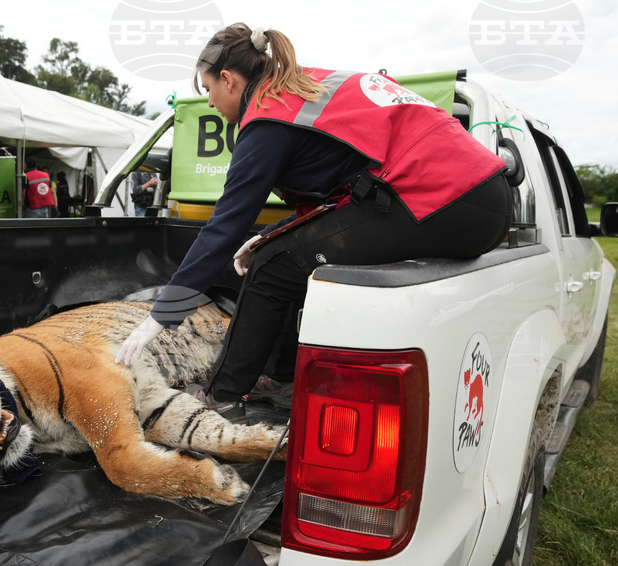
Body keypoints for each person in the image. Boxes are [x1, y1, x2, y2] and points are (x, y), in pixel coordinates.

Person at [115, 23, 512, 414]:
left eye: (208, 90)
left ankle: (223, 395)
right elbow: (344, 192)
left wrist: (162, 315)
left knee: (272, 266)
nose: (210, 102)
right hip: (482, 198)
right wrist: (271, 233)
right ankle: (284, 376)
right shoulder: (302, 89)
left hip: (444, 199)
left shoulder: (268, 116)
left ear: (228, 79)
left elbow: (226, 224)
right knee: (278, 252)